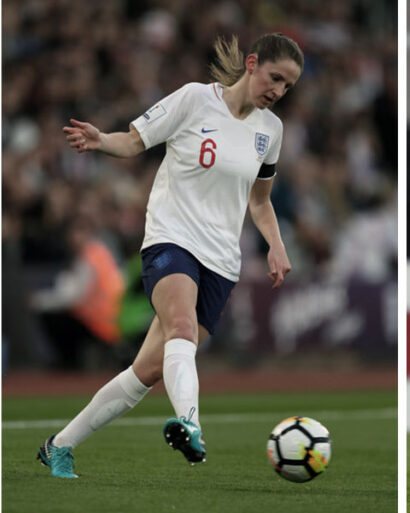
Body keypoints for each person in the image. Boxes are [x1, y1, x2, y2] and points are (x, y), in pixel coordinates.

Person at [37, 33, 303, 478]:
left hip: (221, 261)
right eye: (275, 78)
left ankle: (59, 445)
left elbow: (260, 201)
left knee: (146, 372)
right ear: (252, 64)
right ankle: (191, 426)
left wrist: (276, 243)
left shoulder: (270, 132)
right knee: (181, 327)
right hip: (171, 239)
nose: (278, 91)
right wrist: (101, 140)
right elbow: (135, 140)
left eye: (288, 87)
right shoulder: (195, 100)